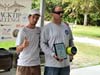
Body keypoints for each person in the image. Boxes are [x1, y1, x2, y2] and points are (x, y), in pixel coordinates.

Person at [40, 6, 74, 75]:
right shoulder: (47, 28)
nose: (61, 14)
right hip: (51, 66)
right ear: (52, 14)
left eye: (62, 12)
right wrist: (53, 54)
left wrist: (72, 52)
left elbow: (70, 40)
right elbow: (42, 44)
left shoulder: (66, 26)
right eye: (58, 13)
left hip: (65, 65)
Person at [16, 9, 41, 75]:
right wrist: (22, 46)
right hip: (24, 64)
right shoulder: (23, 31)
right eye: (33, 17)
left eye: (37, 18)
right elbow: (17, 50)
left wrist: (63, 23)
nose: (35, 20)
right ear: (29, 17)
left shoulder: (39, 30)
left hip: (36, 64)